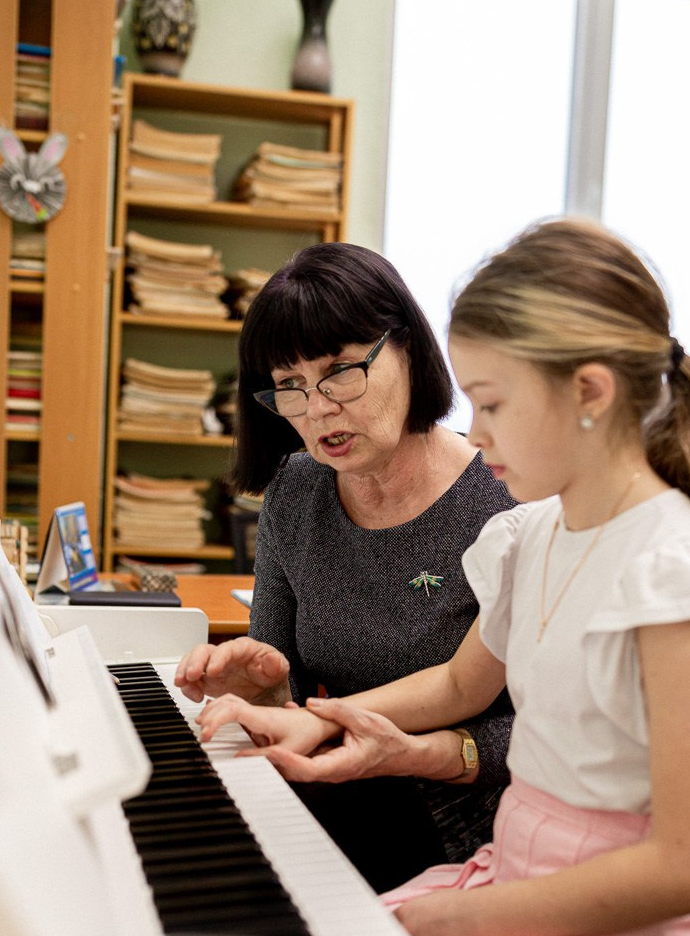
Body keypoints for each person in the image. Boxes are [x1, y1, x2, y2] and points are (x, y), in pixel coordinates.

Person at [196, 217, 690, 936]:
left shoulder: (679, 578)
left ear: (589, 391)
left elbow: (686, 870)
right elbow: (456, 687)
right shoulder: (534, 536)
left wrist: (459, 920)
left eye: (494, 404)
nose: (473, 433)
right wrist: (321, 716)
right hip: (515, 874)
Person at [175, 241, 515, 891]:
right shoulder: (295, 492)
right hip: (339, 788)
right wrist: (269, 693)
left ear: (409, 350)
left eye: (340, 370)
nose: (320, 408)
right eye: (290, 387)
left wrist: (417, 753)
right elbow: (291, 692)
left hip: (469, 821)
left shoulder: (505, 500)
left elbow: (544, 731)